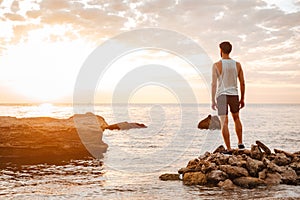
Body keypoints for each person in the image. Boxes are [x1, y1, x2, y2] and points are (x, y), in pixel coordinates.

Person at [211, 41, 245, 152]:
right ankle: (240, 143)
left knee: (224, 122)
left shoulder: (217, 65)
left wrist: (212, 100)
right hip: (234, 94)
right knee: (236, 119)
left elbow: (214, 84)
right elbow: (242, 83)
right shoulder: (237, 65)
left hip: (221, 96)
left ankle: (229, 148)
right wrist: (242, 98)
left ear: (221, 50)